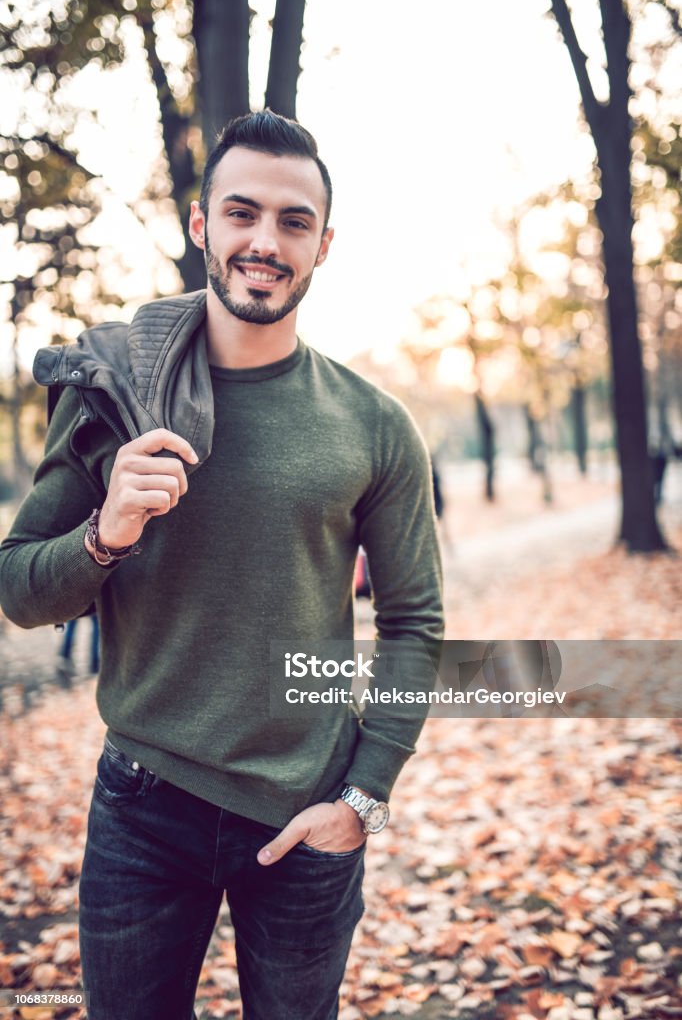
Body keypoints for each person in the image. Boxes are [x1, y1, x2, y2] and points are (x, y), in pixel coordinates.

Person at [0, 110, 443, 1020]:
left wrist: (364, 800)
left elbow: (414, 625)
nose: (264, 242)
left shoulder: (375, 425)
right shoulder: (112, 391)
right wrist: (106, 531)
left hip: (305, 819)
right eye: (241, 213)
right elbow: (17, 587)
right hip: (142, 810)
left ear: (324, 244)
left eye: (292, 222)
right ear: (202, 227)